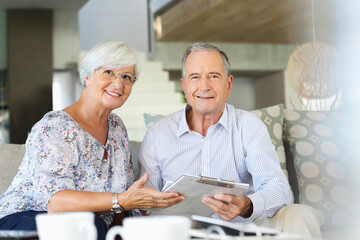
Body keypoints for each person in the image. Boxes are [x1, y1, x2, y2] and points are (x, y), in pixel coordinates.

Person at [0, 40, 183, 239]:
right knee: (87, 223)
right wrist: (121, 201)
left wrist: (145, 206)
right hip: (22, 220)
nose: (118, 83)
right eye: (108, 72)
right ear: (87, 76)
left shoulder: (117, 128)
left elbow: (123, 204)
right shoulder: (55, 127)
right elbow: (57, 202)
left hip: (88, 226)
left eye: (127, 77)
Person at [139, 42, 322, 238]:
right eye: (195, 77)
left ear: (228, 84)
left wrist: (247, 205)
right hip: (184, 234)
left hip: (242, 231)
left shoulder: (249, 126)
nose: (204, 86)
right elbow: (142, 206)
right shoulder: (157, 135)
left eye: (214, 76)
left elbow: (279, 190)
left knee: (300, 214)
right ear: (184, 86)